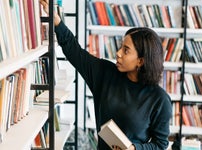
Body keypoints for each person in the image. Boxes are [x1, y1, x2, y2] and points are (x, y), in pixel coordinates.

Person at [40, 1, 172, 149]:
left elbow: (160, 145)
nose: (118, 53)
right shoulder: (104, 73)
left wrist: (135, 148)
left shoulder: (159, 99)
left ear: (140, 61)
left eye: (126, 50)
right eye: (121, 47)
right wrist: (57, 20)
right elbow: (74, 51)